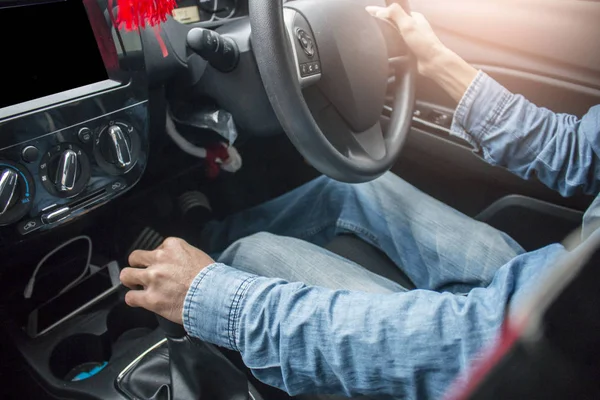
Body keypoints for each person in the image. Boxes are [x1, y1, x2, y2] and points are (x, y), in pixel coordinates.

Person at [119, 4, 600, 399]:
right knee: (352, 187)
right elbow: (578, 152)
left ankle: (192, 263)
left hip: (524, 364)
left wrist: (211, 296)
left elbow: (462, 344)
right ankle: (204, 234)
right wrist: (438, 62)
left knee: (250, 257)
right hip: (550, 283)